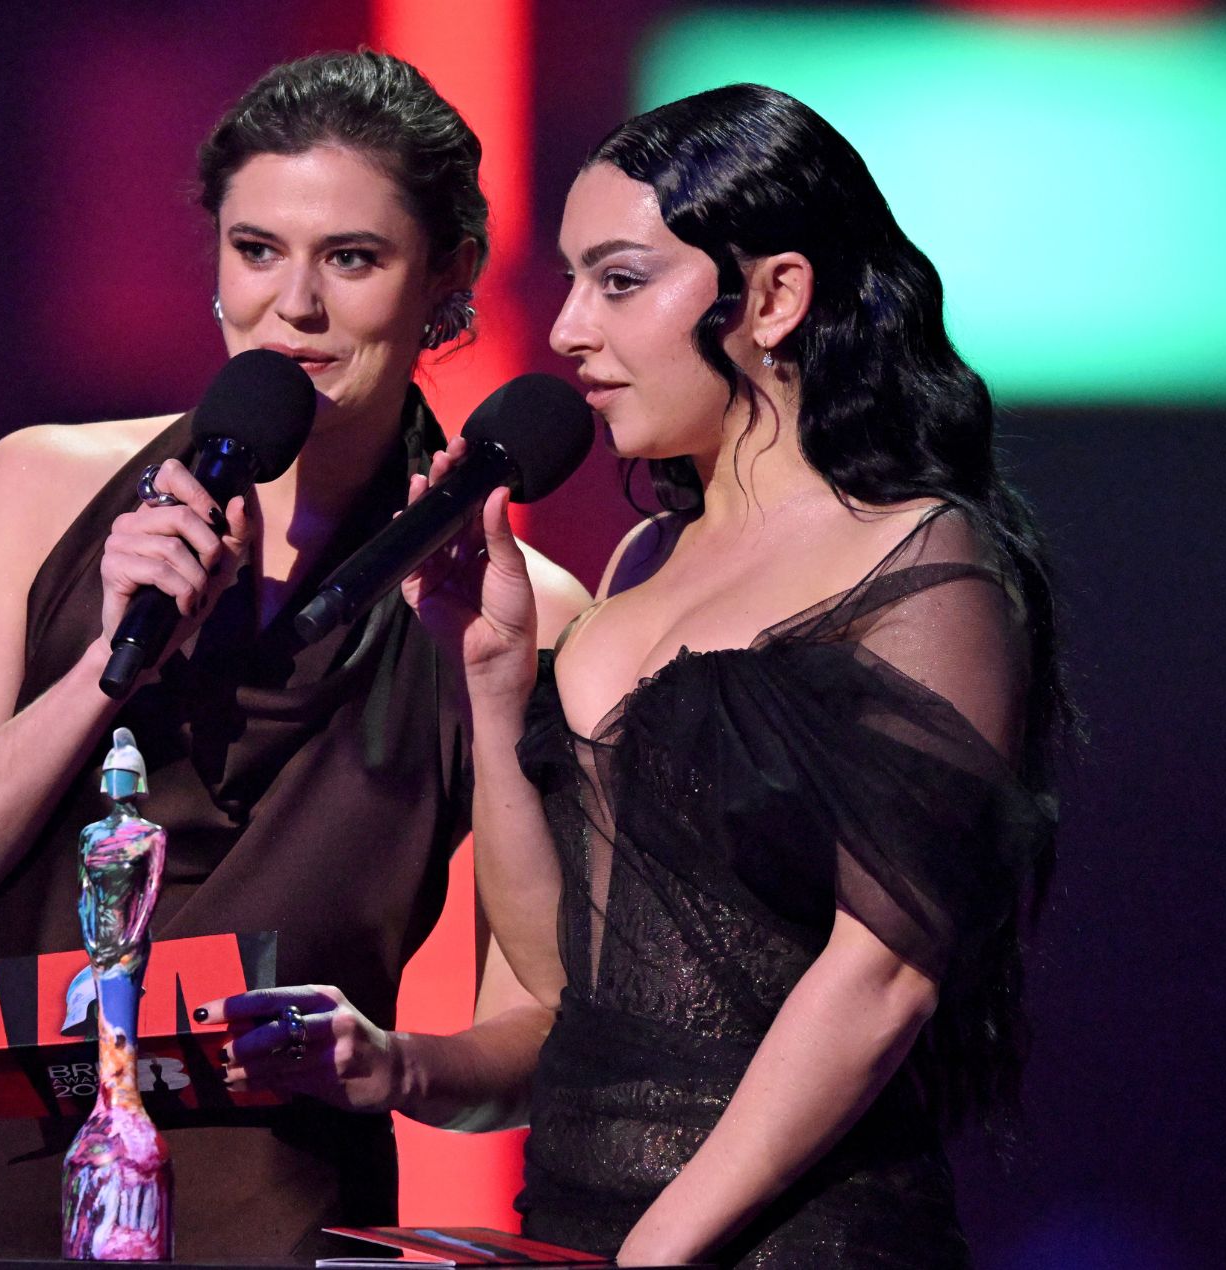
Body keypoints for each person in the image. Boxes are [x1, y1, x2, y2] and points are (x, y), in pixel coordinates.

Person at [0, 51, 587, 1258]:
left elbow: (538, 1034)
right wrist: (111, 661)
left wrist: (395, 1060)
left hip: (278, 1214)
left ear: (445, 278)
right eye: (256, 250)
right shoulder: (40, 485)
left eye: (349, 259)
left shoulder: (520, 612)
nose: (291, 305)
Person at [396, 84, 1071, 1267]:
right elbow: (562, 972)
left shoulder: (917, 560)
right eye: (568, 279)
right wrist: (495, 683)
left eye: (616, 280)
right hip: (572, 1217)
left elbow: (881, 974)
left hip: (790, 1235)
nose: (562, 330)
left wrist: (662, 1249)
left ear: (772, 296)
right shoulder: (640, 560)